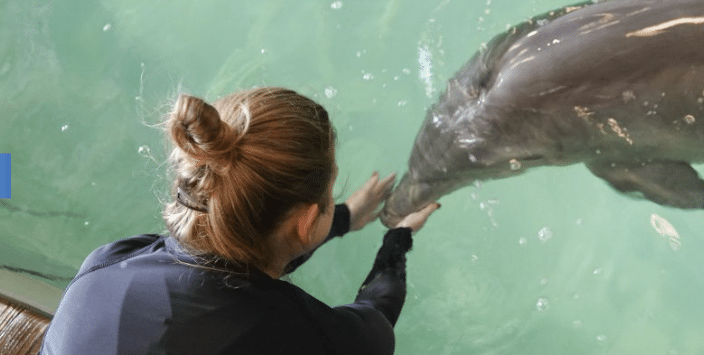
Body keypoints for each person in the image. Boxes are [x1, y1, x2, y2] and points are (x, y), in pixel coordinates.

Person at [39, 88, 439, 354]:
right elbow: (375, 325)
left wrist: (342, 218)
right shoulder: (289, 334)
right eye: (329, 193)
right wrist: (398, 237)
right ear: (304, 222)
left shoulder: (110, 263)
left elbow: (238, 252)